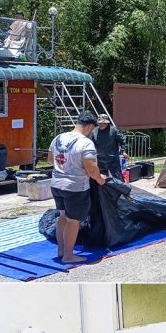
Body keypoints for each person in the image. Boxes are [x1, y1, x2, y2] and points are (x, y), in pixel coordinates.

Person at [48, 112, 106, 263]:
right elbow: (91, 169)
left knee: (62, 217)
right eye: (92, 129)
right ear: (88, 126)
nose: (92, 132)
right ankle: (68, 256)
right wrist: (100, 180)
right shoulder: (85, 143)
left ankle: (61, 250)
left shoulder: (58, 138)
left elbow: (49, 159)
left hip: (56, 184)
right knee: (73, 221)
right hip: (75, 188)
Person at [91, 114, 127, 182]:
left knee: (117, 176)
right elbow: (91, 144)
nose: (100, 125)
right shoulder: (94, 131)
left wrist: (123, 151)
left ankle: (121, 190)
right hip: (100, 159)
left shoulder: (114, 130)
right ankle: (104, 191)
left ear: (106, 123)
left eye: (103, 123)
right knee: (102, 178)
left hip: (113, 158)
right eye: (99, 123)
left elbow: (122, 141)